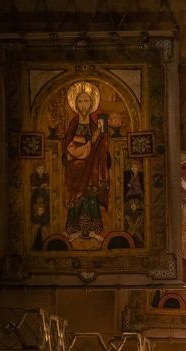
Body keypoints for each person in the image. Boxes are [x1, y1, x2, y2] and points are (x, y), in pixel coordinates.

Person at [62, 85, 110, 241]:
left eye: (86, 101)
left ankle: (93, 231)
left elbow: (101, 148)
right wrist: (88, 142)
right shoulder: (73, 125)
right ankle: (74, 230)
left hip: (92, 170)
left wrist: (102, 138)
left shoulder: (95, 126)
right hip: (75, 170)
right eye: (80, 101)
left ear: (91, 105)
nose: (83, 104)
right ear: (76, 104)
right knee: (77, 197)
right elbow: (68, 147)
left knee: (90, 197)